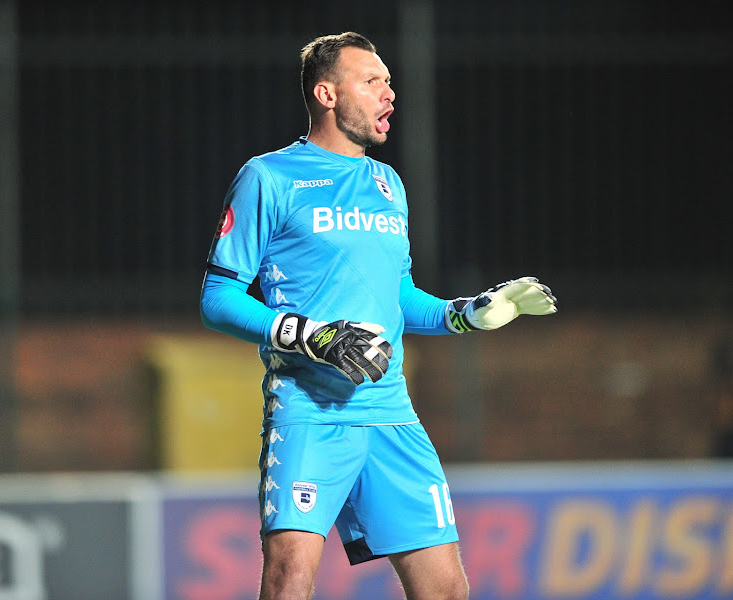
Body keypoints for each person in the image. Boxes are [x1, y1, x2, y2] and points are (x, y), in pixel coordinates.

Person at [200, 31, 557, 600]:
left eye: (390, 82)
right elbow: (217, 299)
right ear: (326, 94)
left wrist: (467, 315)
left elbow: (399, 297)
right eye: (372, 82)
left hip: (391, 415)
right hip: (309, 414)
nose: (390, 94)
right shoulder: (269, 178)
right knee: (289, 578)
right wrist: (310, 335)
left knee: (445, 590)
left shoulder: (387, 185)